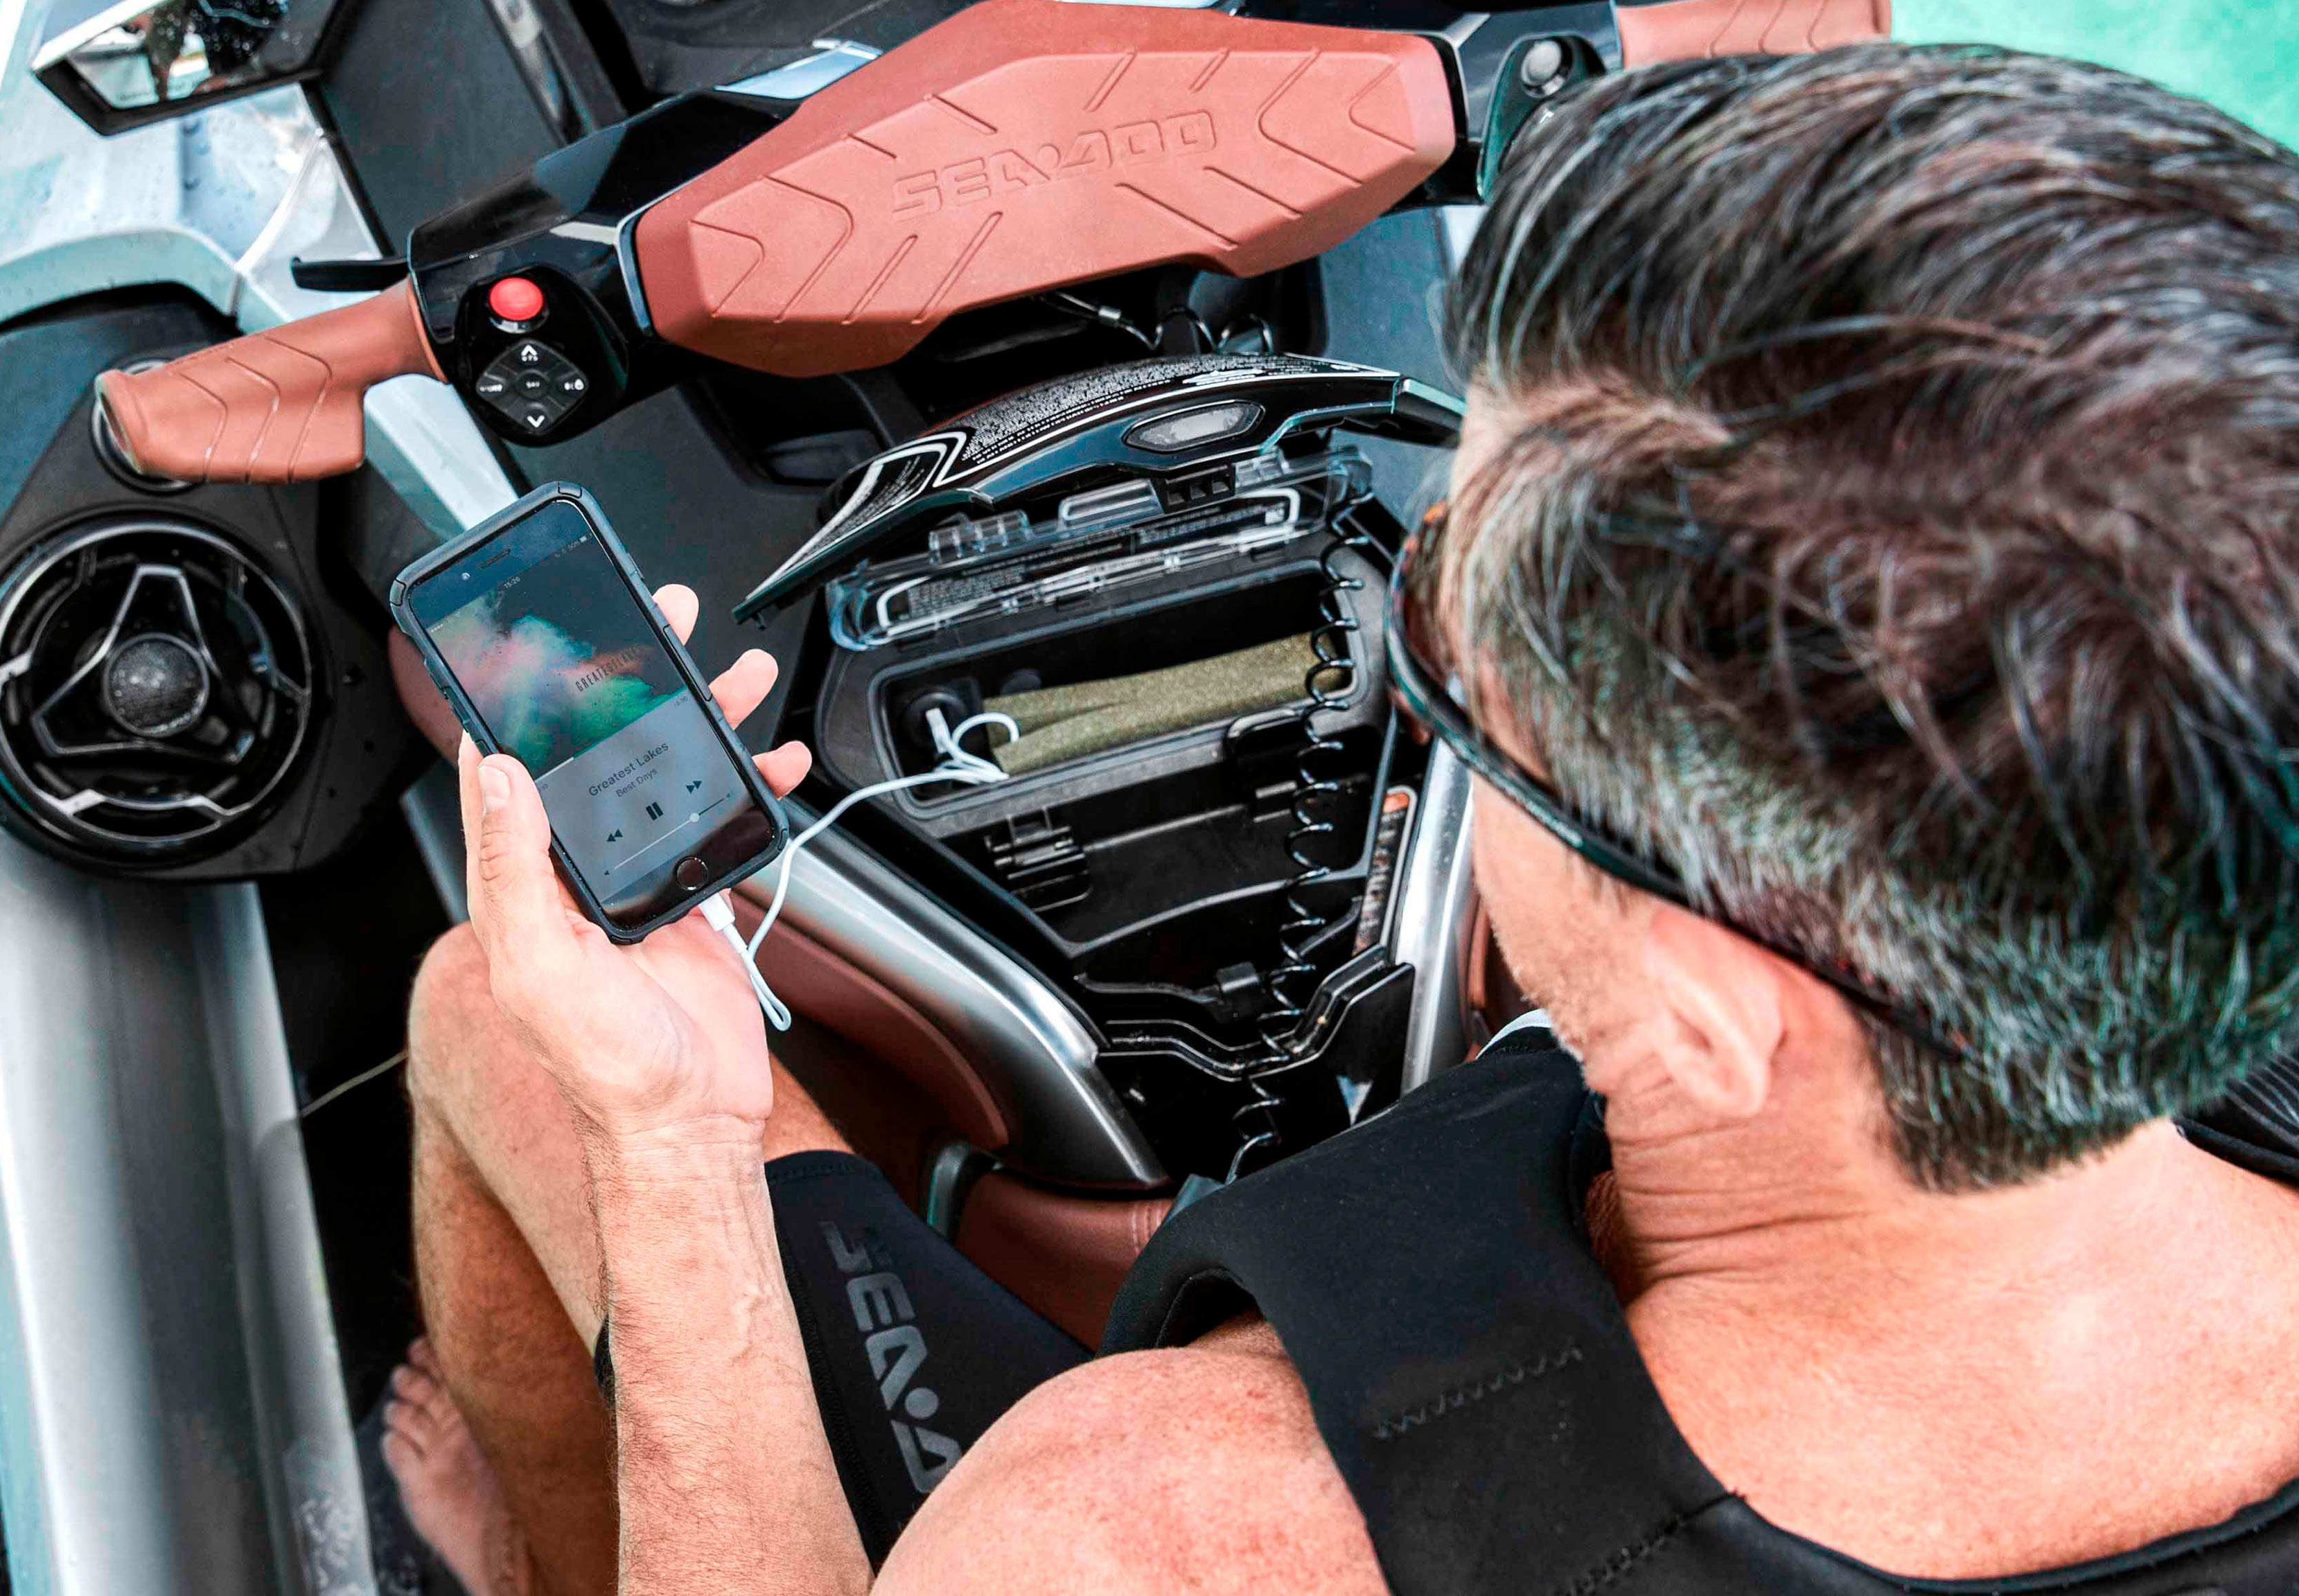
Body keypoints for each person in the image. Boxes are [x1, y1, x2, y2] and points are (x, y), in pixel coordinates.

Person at [380, 44, 2299, 1596]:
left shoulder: (1145, 1532)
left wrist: (670, 1142)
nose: (1397, 608)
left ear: (1717, 1007)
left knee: (500, 1014)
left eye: (1451, 645)